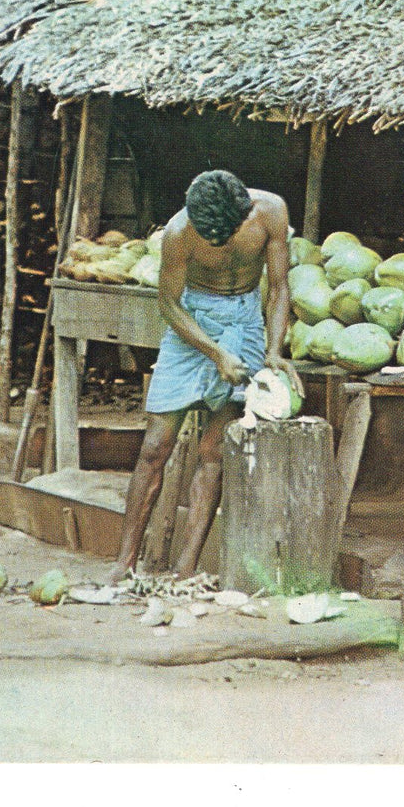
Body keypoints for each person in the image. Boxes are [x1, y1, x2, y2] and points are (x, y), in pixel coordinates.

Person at [106, 170, 302, 585]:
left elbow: (279, 287)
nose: (213, 242)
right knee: (154, 447)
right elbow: (169, 305)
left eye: (221, 235)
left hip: (246, 322)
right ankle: (123, 563)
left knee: (214, 451)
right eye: (206, 234)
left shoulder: (271, 212)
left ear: (242, 215)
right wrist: (215, 353)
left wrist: (273, 351)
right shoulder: (178, 233)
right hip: (191, 324)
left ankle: (185, 569)